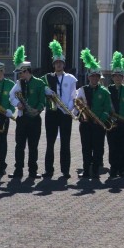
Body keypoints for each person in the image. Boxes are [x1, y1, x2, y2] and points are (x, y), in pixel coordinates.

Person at [9, 47, 51, 180]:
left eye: (21, 73)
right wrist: (17, 104)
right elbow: (11, 96)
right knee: (19, 145)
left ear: (26, 71)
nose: (19, 75)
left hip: (34, 119)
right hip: (22, 118)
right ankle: (18, 170)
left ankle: (33, 171)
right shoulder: (19, 83)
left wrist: (37, 109)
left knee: (33, 146)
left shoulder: (39, 83)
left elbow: (42, 100)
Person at [75, 50, 113, 180]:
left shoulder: (105, 92)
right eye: (92, 76)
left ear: (99, 78)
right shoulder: (82, 90)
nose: (94, 78)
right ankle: (86, 170)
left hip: (99, 124)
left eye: (97, 76)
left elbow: (107, 108)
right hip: (86, 124)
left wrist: (101, 119)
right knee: (86, 148)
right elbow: (76, 105)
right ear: (89, 77)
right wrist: (80, 114)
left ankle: (95, 170)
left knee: (98, 148)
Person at [42, 40, 77, 179]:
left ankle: (65, 170)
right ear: (53, 64)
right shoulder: (47, 78)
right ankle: (48, 170)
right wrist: (45, 90)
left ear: (64, 64)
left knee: (65, 143)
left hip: (65, 113)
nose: (58, 65)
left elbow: (73, 96)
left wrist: (68, 107)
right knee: (50, 142)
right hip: (51, 112)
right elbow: (40, 89)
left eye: (60, 63)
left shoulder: (70, 78)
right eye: (56, 63)